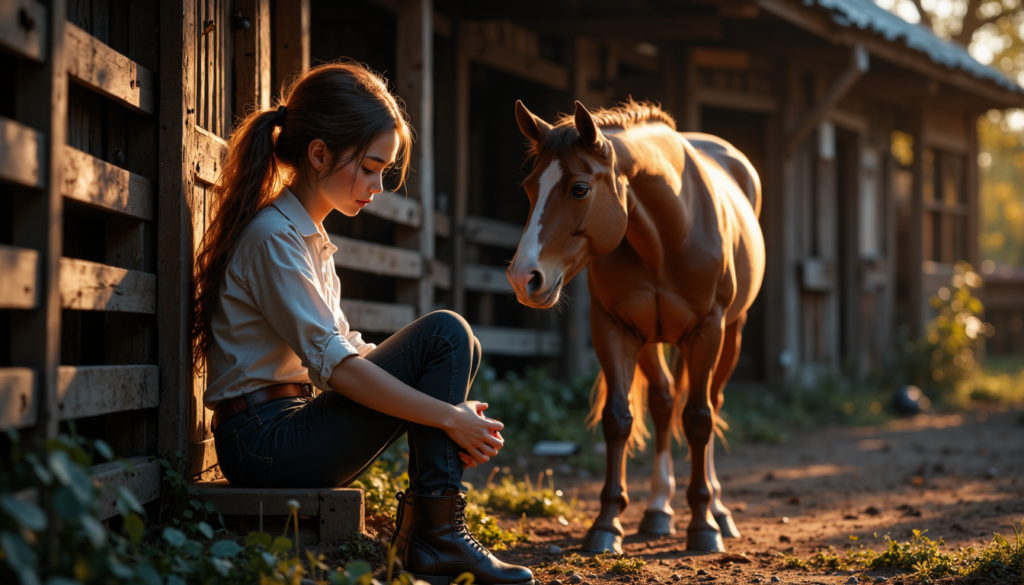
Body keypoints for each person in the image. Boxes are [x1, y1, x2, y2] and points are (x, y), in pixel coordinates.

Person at [191, 61, 534, 585]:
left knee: (452, 341)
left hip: (288, 428)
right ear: (320, 153)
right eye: (371, 167)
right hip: (264, 443)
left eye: (385, 171)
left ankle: (433, 532)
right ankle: (434, 536)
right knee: (445, 333)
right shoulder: (274, 239)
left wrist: (444, 410)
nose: (378, 186)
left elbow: (349, 350)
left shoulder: (308, 239)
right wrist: (446, 417)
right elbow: (342, 369)